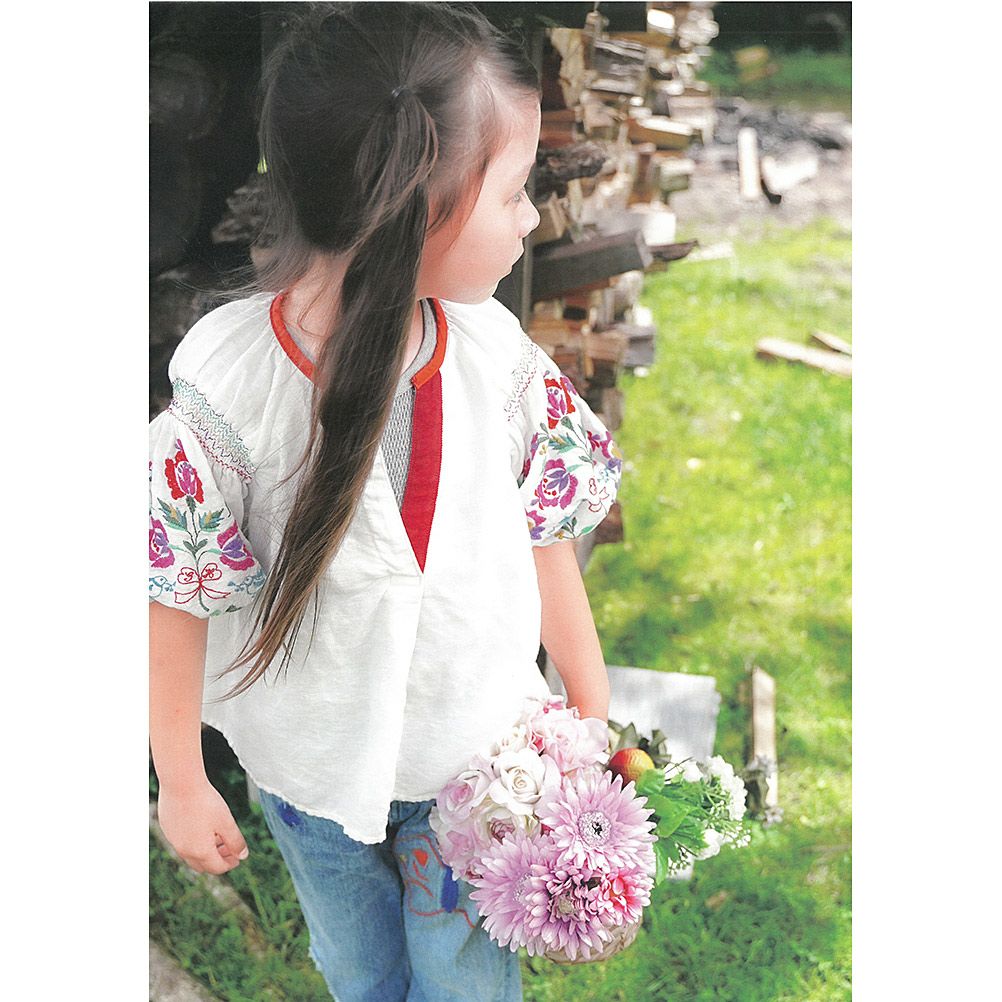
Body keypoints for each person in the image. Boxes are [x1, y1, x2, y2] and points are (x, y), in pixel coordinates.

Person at [149, 3, 623, 1000]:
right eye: (514, 194)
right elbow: (176, 589)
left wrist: (589, 710)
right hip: (308, 775)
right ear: (414, 206)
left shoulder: (496, 361)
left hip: (477, 764)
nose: (533, 220)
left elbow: (547, 531)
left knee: (465, 983)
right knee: (360, 974)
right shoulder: (230, 389)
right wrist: (182, 780)